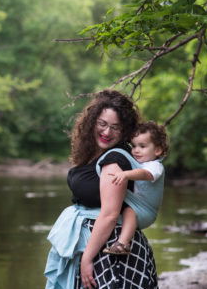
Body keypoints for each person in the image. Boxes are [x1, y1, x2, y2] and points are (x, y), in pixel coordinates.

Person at [44, 90, 158, 289]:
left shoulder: (114, 160)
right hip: (100, 243)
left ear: (125, 131)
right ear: (92, 122)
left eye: (115, 127)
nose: (106, 132)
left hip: (111, 249)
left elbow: (110, 214)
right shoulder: (94, 155)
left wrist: (87, 258)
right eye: (102, 124)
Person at [102, 121, 168, 256]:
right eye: (134, 146)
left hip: (146, 210)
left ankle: (123, 244)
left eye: (142, 146)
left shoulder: (155, 166)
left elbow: (145, 175)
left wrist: (126, 174)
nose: (136, 150)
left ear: (158, 150)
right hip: (138, 205)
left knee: (129, 211)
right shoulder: (138, 163)